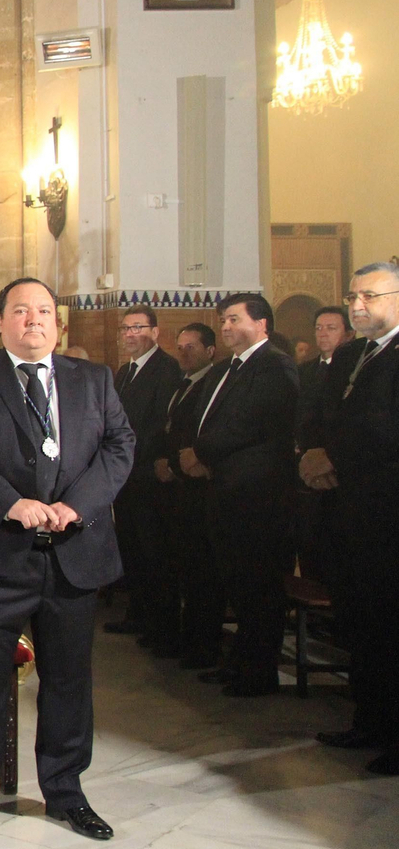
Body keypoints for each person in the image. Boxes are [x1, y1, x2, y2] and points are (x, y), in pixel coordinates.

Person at [0, 278, 133, 841]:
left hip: (74, 553)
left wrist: (78, 505)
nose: (34, 320)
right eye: (21, 311)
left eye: (44, 310)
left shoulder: (93, 379)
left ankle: (66, 791)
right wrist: (11, 503)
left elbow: (121, 447)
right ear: (0, 321)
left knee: (69, 680)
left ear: (57, 322)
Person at [300, 262, 399, 772]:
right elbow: (319, 411)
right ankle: (370, 719)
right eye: (353, 296)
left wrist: (332, 458)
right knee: (359, 622)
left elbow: (386, 430)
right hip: (343, 511)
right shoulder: (353, 353)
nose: (358, 305)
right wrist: (311, 452)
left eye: (371, 296)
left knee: (389, 624)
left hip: (385, 514)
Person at [181, 293, 297, 697]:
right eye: (223, 320)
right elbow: (210, 416)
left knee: (257, 586)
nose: (226, 327)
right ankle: (240, 663)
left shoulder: (273, 365)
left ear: (262, 324)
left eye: (234, 319)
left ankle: (258, 672)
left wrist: (201, 452)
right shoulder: (231, 366)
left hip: (256, 495)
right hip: (227, 487)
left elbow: (250, 422)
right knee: (238, 584)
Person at [103, 306, 183, 650]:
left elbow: (159, 422)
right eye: (126, 328)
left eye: (138, 327)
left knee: (154, 550)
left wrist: (130, 452)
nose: (131, 334)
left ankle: (161, 622)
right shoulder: (124, 372)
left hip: (147, 472)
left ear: (155, 332)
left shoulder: (166, 369)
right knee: (132, 546)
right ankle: (137, 612)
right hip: (124, 475)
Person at [150, 323, 223, 669]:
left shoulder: (211, 384)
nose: (183, 352)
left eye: (191, 347)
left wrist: (177, 465)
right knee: (179, 566)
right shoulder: (182, 385)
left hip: (197, 488)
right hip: (175, 487)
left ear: (210, 351)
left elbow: (198, 432)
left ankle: (202, 644)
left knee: (201, 573)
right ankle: (180, 636)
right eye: (179, 346)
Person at [293, 305, 353, 581]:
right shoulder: (304, 371)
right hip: (302, 471)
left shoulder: (352, 370)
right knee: (307, 547)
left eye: (331, 328)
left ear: (348, 333)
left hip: (336, 473)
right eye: (319, 328)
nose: (323, 334)